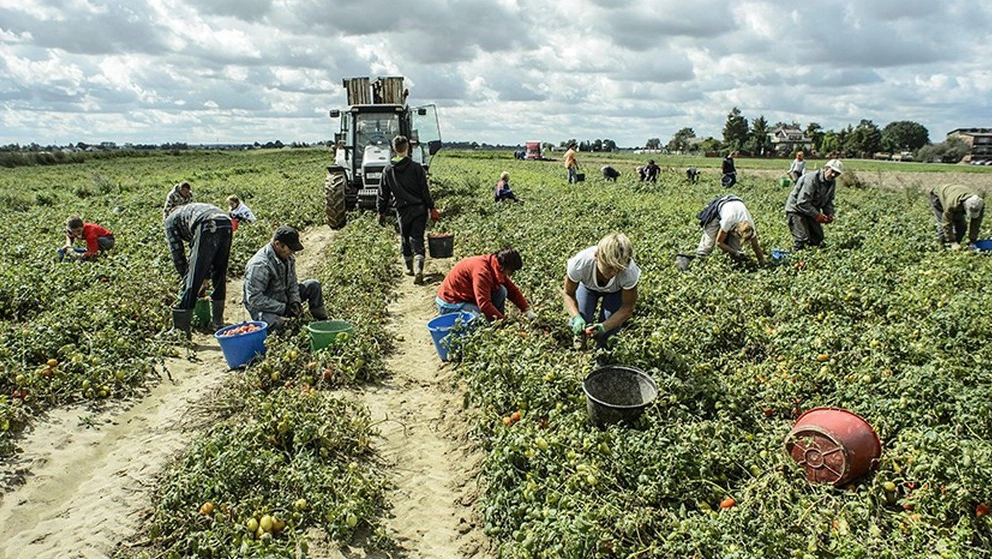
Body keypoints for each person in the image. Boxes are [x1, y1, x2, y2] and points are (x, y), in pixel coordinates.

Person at [377, 135, 439, 285]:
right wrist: (431, 207)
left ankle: (410, 268)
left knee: (405, 238)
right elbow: (425, 191)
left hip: (402, 210)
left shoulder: (388, 170)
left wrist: (381, 211)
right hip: (419, 209)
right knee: (417, 237)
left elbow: (383, 193)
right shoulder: (417, 168)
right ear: (408, 148)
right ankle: (419, 268)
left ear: (393, 149)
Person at [164, 202, 233, 337]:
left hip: (207, 223)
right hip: (226, 222)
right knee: (219, 272)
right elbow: (203, 250)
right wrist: (205, 276)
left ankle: (181, 330)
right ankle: (218, 322)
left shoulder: (170, 220)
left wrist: (186, 278)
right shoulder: (188, 213)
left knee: (193, 276)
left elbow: (177, 253)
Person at [563, 233, 640, 351]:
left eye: (618, 269)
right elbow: (568, 294)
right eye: (609, 267)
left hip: (615, 292)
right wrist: (576, 317)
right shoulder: (580, 263)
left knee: (610, 328)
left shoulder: (629, 272)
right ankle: (580, 346)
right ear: (597, 256)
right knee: (582, 317)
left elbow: (627, 307)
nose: (614, 273)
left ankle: (603, 354)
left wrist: (605, 327)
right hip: (588, 287)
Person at [243, 226, 328, 330]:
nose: (293, 252)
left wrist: (295, 301)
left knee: (313, 285)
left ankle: (322, 321)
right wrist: (284, 309)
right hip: (264, 308)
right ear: (277, 244)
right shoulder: (260, 265)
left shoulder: (288, 257)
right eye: (290, 249)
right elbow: (254, 299)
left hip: (283, 297)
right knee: (281, 325)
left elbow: (292, 283)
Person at [435, 247, 537, 322]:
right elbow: (484, 304)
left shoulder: (495, 265)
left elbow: (512, 291)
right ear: (504, 267)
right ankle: (494, 323)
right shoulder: (482, 272)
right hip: (450, 303)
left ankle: (495, 321)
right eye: (511, 271)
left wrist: (527, 310)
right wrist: (503, 321)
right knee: (480, 319)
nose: (511, 274)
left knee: (502, 291)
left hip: (465, 298)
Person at [676, 195, 765, 271]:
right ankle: (686, 260)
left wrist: (762, 266)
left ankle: (733, 266)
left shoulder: (750, 228)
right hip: (720, 207)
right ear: (735, 230)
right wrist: (735, 252)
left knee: (736, 250)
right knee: (707, 245)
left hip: (736, 203)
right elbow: (718, 242)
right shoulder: (729, 221)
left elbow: (756, 248)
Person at [784, 159, 843, 250]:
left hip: (811, 210)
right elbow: (802, 202)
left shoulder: (831, 182)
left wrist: (829, 213)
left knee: (817, 237)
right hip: (796, 209)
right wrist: (817, 215)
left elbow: (829, 201)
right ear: (826, 168)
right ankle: (796, 258)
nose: (833, 175)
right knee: (802, 238)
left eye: (837, 173)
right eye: (832, 171)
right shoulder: (812, 179)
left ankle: (812, 259)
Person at [929, 184, 985, 250]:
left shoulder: (979, 204)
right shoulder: (952, 205)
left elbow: (976, 222)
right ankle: (944, 248)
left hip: (955, 194)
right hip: (938, 196)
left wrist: (972, 241)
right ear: (964, 206)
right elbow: (946, 222)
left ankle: (957, 246)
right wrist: (952, 242)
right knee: (942, 227)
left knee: (962, 226)